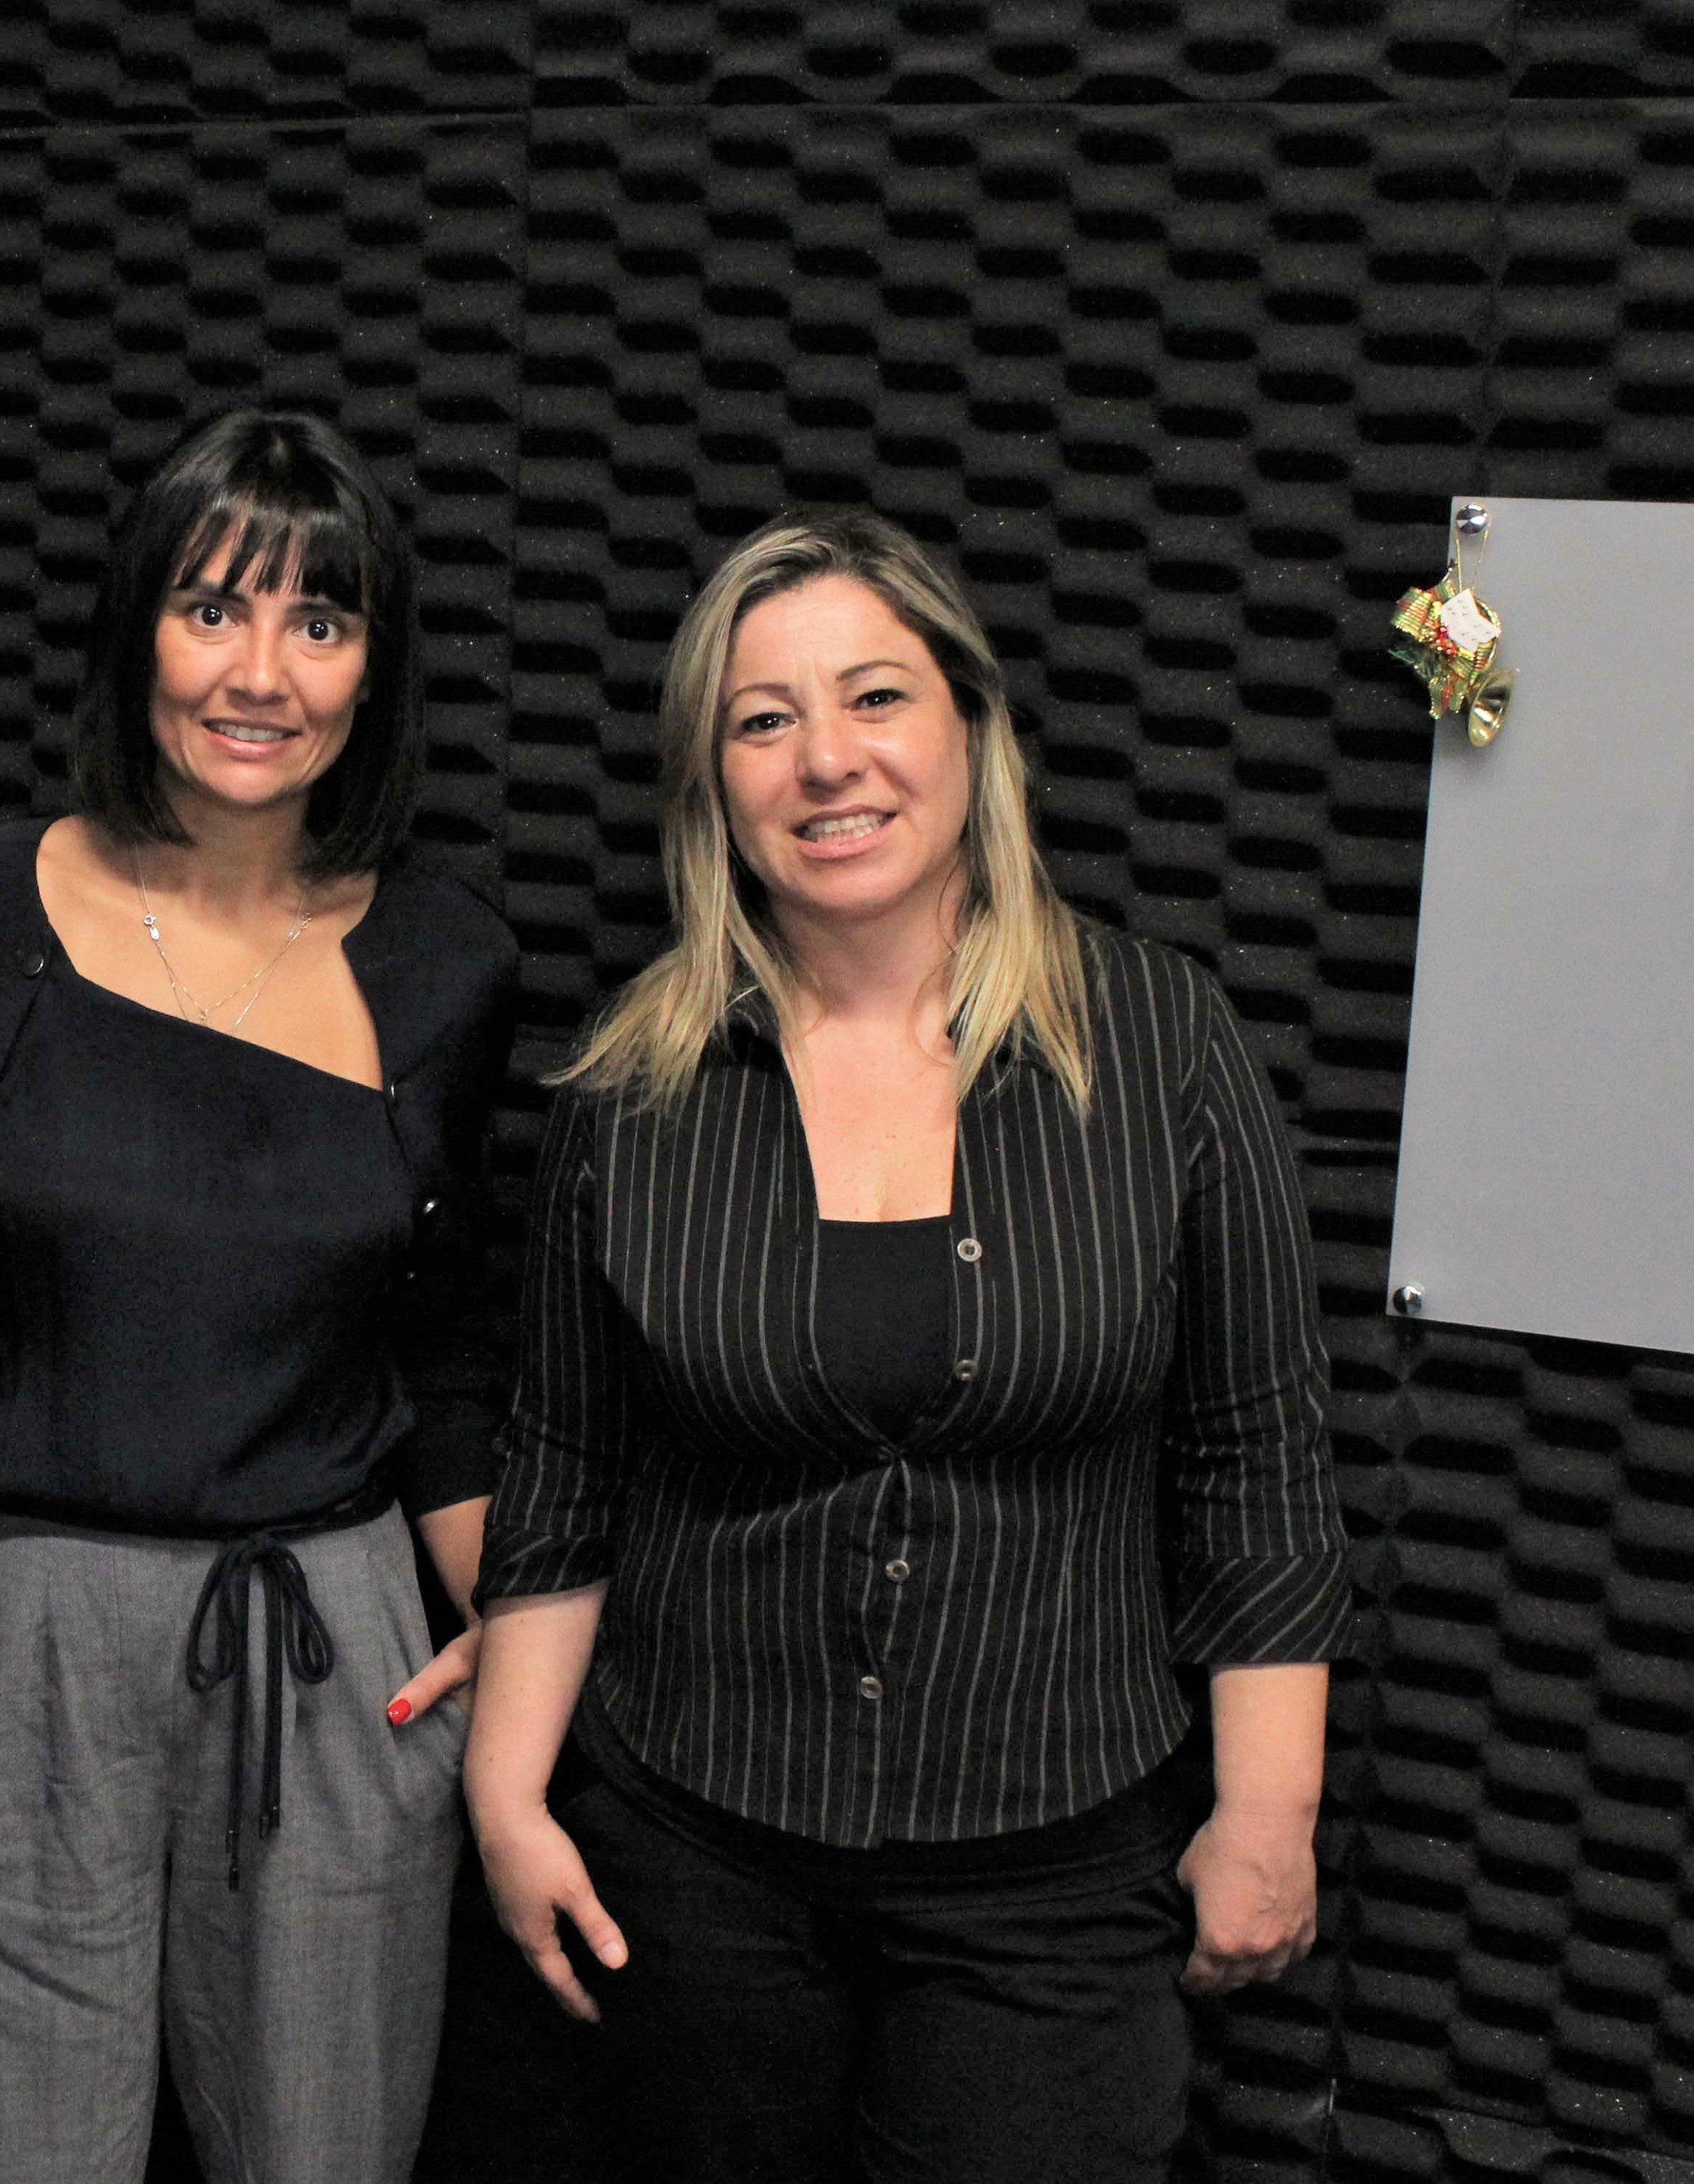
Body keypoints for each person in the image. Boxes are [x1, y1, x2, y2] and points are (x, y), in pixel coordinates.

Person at [463, 508, 1350, 2181]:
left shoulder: (1161, 1043)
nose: (826, 761)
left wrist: (1271, 1809)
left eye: (875, 697)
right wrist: (507, 1801)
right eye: (764, 720)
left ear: (972, 727)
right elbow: (564, 1467)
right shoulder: (631, 1087)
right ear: (712, 782)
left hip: (1057, 1880)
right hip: (693, 1868)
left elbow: (1257, 1458)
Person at [0, 409, 520, 2184]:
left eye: (321, 621)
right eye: (212, 608)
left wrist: (510, 1631)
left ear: (375, 667)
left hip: (331, 1642)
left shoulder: (449, 962)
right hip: (21, 1637)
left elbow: (444, 1345)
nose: (262, 674)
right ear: (134, 628)